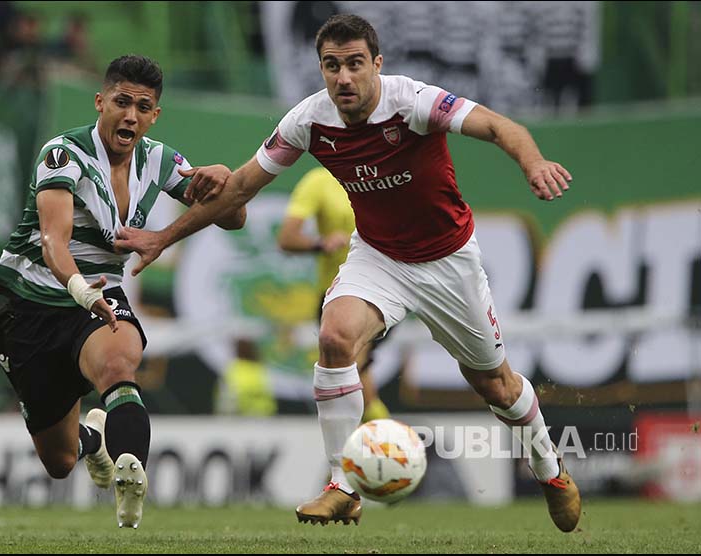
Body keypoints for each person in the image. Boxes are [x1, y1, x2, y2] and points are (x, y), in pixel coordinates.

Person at [115, 15, 580, 532]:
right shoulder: (309, 120)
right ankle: (343, 486)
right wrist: (162, 237)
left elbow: (497, 125)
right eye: (332, 66)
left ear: (376, 64)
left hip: (447, 260)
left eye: (355, 64)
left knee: (495, 384)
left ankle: (549, 469)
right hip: (378, 256)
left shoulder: (412, 101)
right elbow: (241, 187)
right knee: (335, 338)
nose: (343, 78)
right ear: (321, 69)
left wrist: (532, 162)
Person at [0, 55, 245, 529]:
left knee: (119, 361)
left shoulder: (162, 160)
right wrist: (80, 291)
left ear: (155, 115)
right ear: (101, 102)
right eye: (122, 102)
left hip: (103, 294)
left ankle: (132, 478)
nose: (131, 115)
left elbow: (233, 217)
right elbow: (52, 242)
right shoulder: (64, 154)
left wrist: (222, 183)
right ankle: (93, 441)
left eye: (143, 107)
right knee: (60, 461)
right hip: (35, 305)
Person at [277, 166, 390, 423]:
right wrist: (320, 242)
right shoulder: (319, 181)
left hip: (378, 291)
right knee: (358, 382)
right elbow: (286, 238)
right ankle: (384, 447)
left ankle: (379, 451)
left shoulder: (385, 175)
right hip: (333, 297)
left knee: (352, 376)